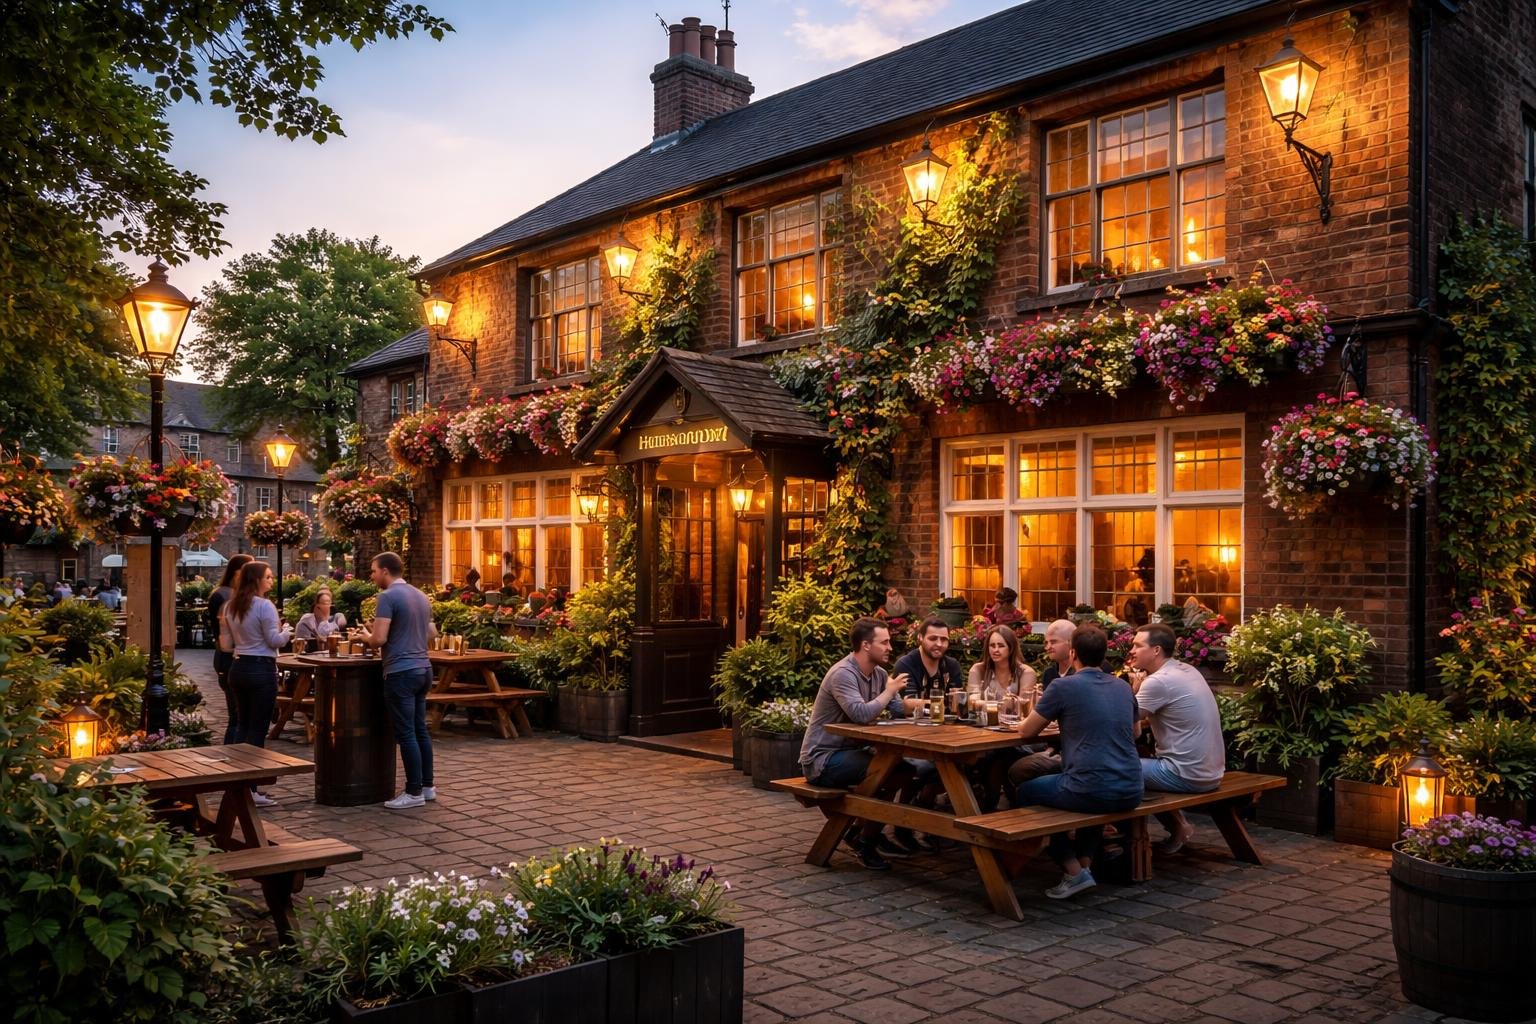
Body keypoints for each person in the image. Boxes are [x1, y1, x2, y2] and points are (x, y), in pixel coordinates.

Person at [1013, 624, 1143, 900]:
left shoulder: (1063, 686)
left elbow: (1026, 732)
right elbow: (1136, 732)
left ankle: (1072, 870)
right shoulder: (1122, 686)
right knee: (1089, 797)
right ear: (1104, 654)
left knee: (1026, 792)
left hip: (1089, 787)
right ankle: (1084, 867)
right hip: (1132, 788)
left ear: (1072, 654)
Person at [798, 617, 920, 870]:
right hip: (823, 758)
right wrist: (888, 691)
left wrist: (926, 705)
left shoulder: (878, 674)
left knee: (903, 771)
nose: (889, 647)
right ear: (866, 645)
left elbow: (896, 708)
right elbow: (861, 714)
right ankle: (865, 840)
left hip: (853, 752)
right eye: (884, 642)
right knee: (890, 770)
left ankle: (861, 833)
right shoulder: (843, 674)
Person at [1125, 622, 1225, 854]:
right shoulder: (1186, 669)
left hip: (1186, 774)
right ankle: (1178, 827)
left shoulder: (1158, 681)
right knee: (1136, 760)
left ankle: (1127, 844)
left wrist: (1135, 692)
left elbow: (1125, 726)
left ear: (1156, 650)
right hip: (1212, 772)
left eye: (1137, 645)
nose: (1131, 650)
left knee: (1112, 767)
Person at [358, 551, 437, 810]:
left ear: (385, 571)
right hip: (423, 669)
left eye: (373, 571)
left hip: (401, 672)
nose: (372, 576)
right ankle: (427, 786)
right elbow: (432, 634)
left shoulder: (387, 596)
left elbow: (379, 639)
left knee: (406, 734)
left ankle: (413, 792)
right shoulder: (421, 595)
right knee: (420, 730)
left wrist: (364, 637)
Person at [221, 560, 292, 806]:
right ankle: (251, 787)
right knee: (258, 729)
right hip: (261, 668)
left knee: (242, 725)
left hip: (238, 667)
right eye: (269, 577)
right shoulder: (265, 606)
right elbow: (274, 640)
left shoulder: (231, 606)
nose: (271, 581)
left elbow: (226, 645)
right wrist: (287, 631)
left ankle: (238, 783)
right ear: (256, 580)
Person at [207, 553, 254, 745]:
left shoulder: (227, 594)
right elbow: (222, 633)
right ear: (238, 572)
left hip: (229, 657)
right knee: (237, 715)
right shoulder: (225, 596)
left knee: (240, 715)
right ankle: (233, 755)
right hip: (229, 657)